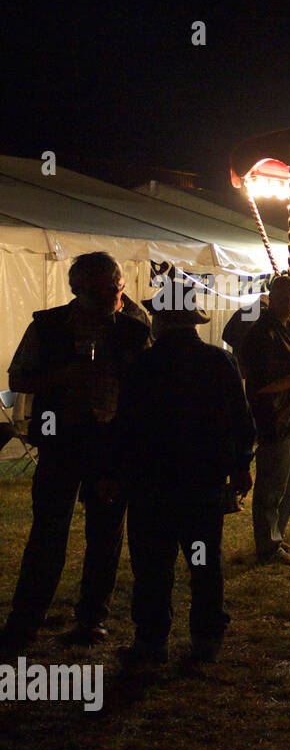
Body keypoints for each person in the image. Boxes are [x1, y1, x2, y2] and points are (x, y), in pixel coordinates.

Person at [1, 252, 151, 653]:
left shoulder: (133, 328)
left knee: (104, 533)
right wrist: (60, 377)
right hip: (62, 442)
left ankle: (92, 619)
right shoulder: (48, 326)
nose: (110, 299)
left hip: (111, 445)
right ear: (77, 289)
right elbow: (17, 377)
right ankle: (27, 619)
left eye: (115, 290)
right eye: (99, 292)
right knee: (48, 531)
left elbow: (147, 387)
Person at [113, 280, 256, 666]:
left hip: (152, 485)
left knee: (153, 566)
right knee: (204, 561)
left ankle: (151, 640)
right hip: (202, 485)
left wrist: (118, 472)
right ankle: (206, 637)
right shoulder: (219, 361)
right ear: (192, 321)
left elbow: (125, 425)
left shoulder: (143, 365)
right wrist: (242, 465)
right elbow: (241, 421)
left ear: (161, 320)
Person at [236, 274, 290, 565]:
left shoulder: (288, 328)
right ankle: (268, 546)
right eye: (284, 297)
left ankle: (278, 537)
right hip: (277, 417)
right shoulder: (262, 334)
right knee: (272, 486)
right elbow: (262, 386)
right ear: (271, 298)